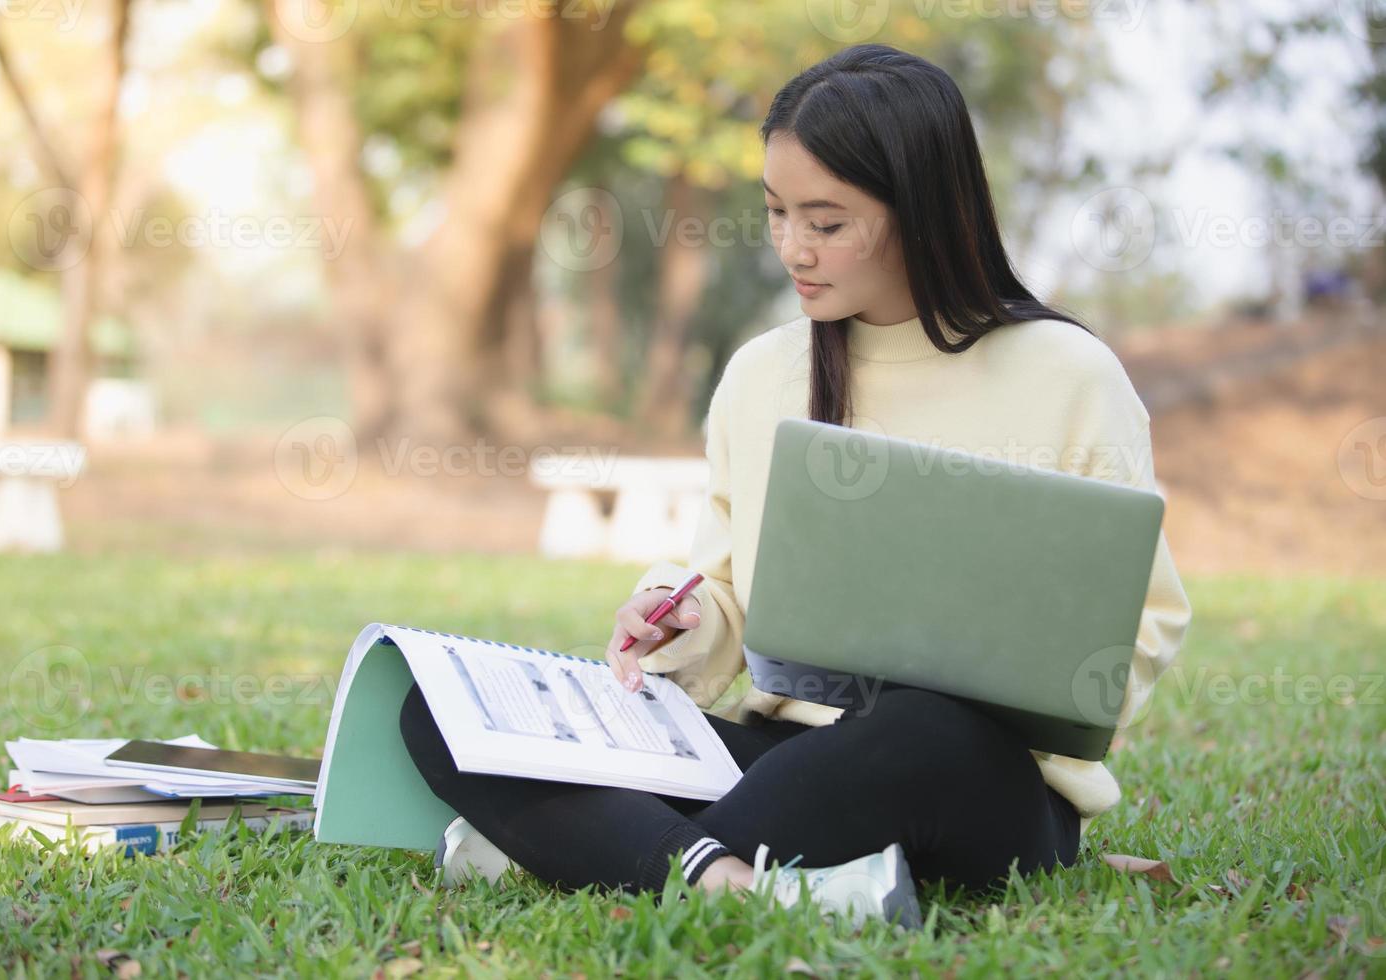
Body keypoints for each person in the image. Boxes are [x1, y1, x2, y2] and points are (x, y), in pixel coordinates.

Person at [399, 41, 1192, 927]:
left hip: (977, 775)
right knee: (437, 709)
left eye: (827, 221)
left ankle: (579, 847)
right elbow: (728, 587)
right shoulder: (760, 375)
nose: (791, 249)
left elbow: (1144, 617)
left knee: (920, 728)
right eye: (777, 213)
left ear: (922, 214)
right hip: (777, 756)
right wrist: (682, 613)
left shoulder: (1069, 375)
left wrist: (1024, 681)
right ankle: (735, 884)